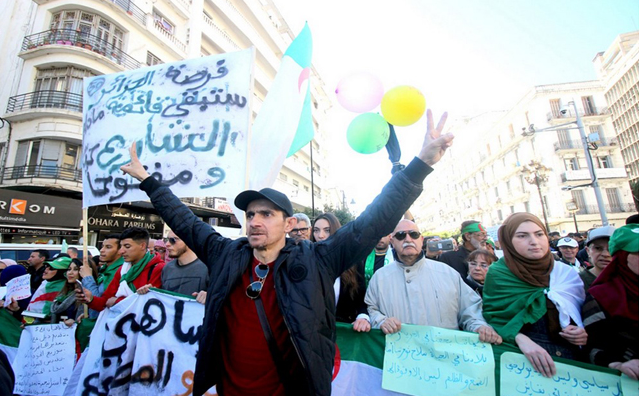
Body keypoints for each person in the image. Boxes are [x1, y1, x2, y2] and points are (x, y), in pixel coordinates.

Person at [117, 109, 453, 395]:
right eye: (250, 215)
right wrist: (148, 181)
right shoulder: (226, 254)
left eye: (266, 214)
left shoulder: (318, 259)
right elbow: (185, 221)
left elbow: (373, 219)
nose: (255, 221)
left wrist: (420, 164)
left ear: (288, 222)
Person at [482, 213, 587, 378]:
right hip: (520, 366)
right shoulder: (499, 274)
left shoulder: (566, 273)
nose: (534, 241)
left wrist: (581, 332)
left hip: (572, 365)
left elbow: (583, 314)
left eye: (539, 234)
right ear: (508, 241)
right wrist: (519, 338)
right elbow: (494, 318)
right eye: (522, 236)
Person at [365, 220, 501, 344]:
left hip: (445, 357)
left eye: (413, 234)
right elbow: (372, 309)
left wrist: (480, 327)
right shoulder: (380, 278)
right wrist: (381, 321)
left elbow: (470, 309)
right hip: (400, 358)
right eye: (400, 235)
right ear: (392, 241)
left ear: (421, 239)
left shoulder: (447, 273)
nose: (408, 239)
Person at [582, 224, 638, 379]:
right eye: (638, 252)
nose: (604, 254)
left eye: (608, 248)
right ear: (622, 256)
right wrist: (617, 364)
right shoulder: (599, 296)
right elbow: (592, 346)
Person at [77, 228, 164, 311]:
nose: (121, 251)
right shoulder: (123, 269)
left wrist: (117, 301)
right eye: (121, 246)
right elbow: (105, 301)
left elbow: (151, 304)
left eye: (127, 246)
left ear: (142, 246)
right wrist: (90, 299)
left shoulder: (159, 268)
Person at [312, 213, 370, 332]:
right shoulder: (306, 261)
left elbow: (361, 298)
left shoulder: (353, 262)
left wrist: (363, 317)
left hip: (344, 331)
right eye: (316, 230)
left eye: (327, 230)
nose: (320, 235)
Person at [138, 230, 209, 304]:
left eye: (173, 240)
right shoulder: (167, 268)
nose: (167, 244)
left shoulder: (208, 268)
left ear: (189, 241)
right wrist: (153, 292)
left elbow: (219, 299)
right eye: (166, 240)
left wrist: (209, 297)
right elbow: (166, 300)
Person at [25, 256, 71, 321]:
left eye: (51, 268)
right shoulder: (46, 283)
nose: (46, 270)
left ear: (63, 272)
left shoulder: (66, 288)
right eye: (46, 266)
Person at [80, 234, 124, 299]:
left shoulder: (119, 271)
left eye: (108, 247)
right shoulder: (105, 269)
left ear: (120, 250)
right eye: (102, 246)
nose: (101, 250)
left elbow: (98, 299)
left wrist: (87, 277)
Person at [50, 259, 87, 325]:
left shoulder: (85, 295)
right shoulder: (64, 292)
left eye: (75, 269)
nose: (70, 273)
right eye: (69, 269)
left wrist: (74, 322)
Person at [579, 226, 615, 291]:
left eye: (611, 248)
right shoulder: (577, 282)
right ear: (588, 251)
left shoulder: (629, 279)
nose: (606, 254)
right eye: (598, 248)